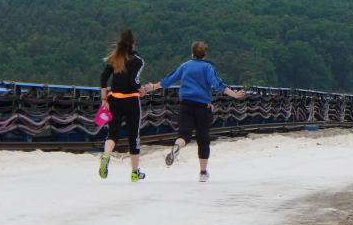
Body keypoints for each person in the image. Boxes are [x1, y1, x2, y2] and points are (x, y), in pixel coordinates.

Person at [143, 41, 246, 182]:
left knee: (184, 135)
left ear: (192, 53)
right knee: (203, 139)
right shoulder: (208, 67)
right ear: (204, 54)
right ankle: (203, 173)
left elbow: (169, 80)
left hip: (185, 105)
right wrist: (235, 94)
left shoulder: (185, 66)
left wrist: (152, 87)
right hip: (203, 107)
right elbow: (218, 85)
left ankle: (177, 146)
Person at [99, 29, 146, 182]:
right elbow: (134, 81)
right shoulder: (138, 60)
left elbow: (103, 77)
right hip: (131, 101)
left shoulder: (114, 57)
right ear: (133, 43)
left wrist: (104, 98)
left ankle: (106, 155)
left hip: (114, 99)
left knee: (113, 133)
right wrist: (141, 89)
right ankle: (134, 172)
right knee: (134, 135)